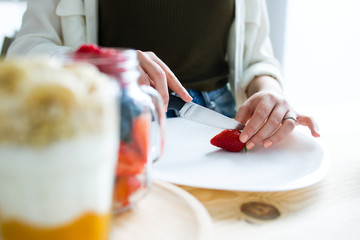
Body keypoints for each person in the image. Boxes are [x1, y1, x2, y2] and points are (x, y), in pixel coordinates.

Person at [7, 0, 320, 150]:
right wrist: (104, 63)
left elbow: (257, 58)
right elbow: (23, 51)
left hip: (219, 123)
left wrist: (268, 92)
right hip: (115, 123)